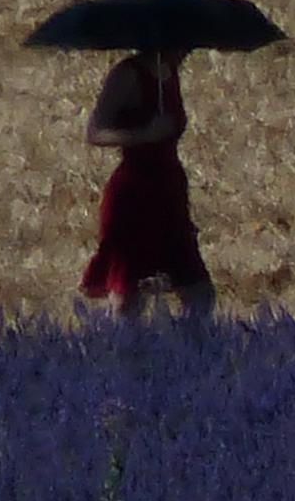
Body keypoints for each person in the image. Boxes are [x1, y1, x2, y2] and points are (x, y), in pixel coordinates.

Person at [79, 49, 216, 319]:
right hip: (134, 194)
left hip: (169, 191)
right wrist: (145, 134)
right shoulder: (127, 75)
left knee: (199, 292)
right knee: (129, 293)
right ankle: (126, 353)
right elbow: (95, 132)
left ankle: (190, 355)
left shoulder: (169, 74)